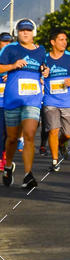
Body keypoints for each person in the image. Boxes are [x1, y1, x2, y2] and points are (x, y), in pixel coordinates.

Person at [0, 19, 49, 190]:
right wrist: (13, 65)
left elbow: (44, 68)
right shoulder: (10, 49)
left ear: (33, 32)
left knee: (29, 135)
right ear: (17, 32)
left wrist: (46, 71)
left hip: (33, 100)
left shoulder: (41, 50)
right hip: (12, 100)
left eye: (28, 30)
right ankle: (8, 166)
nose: (25, 33)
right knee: (12, 138)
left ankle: (28, 175)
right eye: (22, 30)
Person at [42, 29, 70, 172]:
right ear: (53, 42)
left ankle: (61, 144)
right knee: (53, 130)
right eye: (61, 39)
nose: (64, 42)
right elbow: (39, 76)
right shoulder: (45, 58)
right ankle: (54, 161)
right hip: (50, 100)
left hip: (67, 102)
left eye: (66, 39)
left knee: (66, 133)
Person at [0, 31, 12, 171]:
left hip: (10, 103)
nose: (7, 44)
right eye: (4, 41)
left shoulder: (14, 58)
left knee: (8, 134)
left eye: (9, 42)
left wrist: (11, 75)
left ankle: (5, 155)